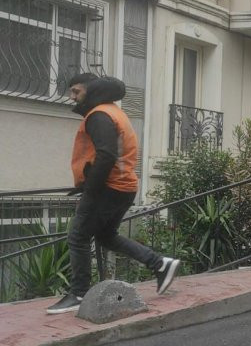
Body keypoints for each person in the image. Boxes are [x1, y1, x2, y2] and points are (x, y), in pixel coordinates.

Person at [47, 74, 181, 314]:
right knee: (106, 236)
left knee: (78, 236)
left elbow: (106, 155)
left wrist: (90, 190)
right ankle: (160, 264)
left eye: (76, 91)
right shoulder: (113, 112)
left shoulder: (99, 115)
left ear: (91, 90)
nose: (72, 97)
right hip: (123, 187)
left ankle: (79, 293)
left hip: (108, 188)